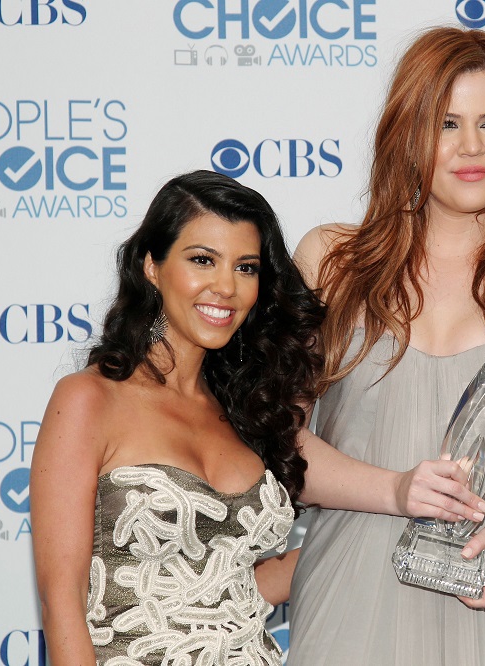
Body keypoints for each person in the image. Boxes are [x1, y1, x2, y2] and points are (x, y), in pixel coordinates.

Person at [285, 27, 485, 665]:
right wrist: (395, 491)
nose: (471, 147)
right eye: (446, 123)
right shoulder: (332, 261)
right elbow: (284, 444)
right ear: (409, 134)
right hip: (352, 593)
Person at [30, 170, 326, 665]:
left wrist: (365, 543)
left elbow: (235, 585)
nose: (226, 287)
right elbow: (62, 605)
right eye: (203, 260)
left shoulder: (248, 409)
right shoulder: (89, 399)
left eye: (246, 267)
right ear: (152, 266)